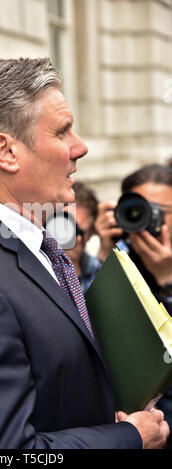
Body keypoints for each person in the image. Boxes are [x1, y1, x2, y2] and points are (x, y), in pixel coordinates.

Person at [0, 58, 169, 449]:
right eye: (63, 132)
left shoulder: (30, 244)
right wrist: (128, 437)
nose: (81, 147)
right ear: (6, 151)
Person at [95, 163, 172, 448]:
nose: (144, 218)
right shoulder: (111, 259)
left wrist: (167, 279)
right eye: (137, 208)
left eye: (159, 211)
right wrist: (104, 256)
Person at [64, 181, 101, 292]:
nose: (71, 236)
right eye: (65, 226)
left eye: (79, 231)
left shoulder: (95, 269)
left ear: (90, 234)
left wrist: (73, 267)